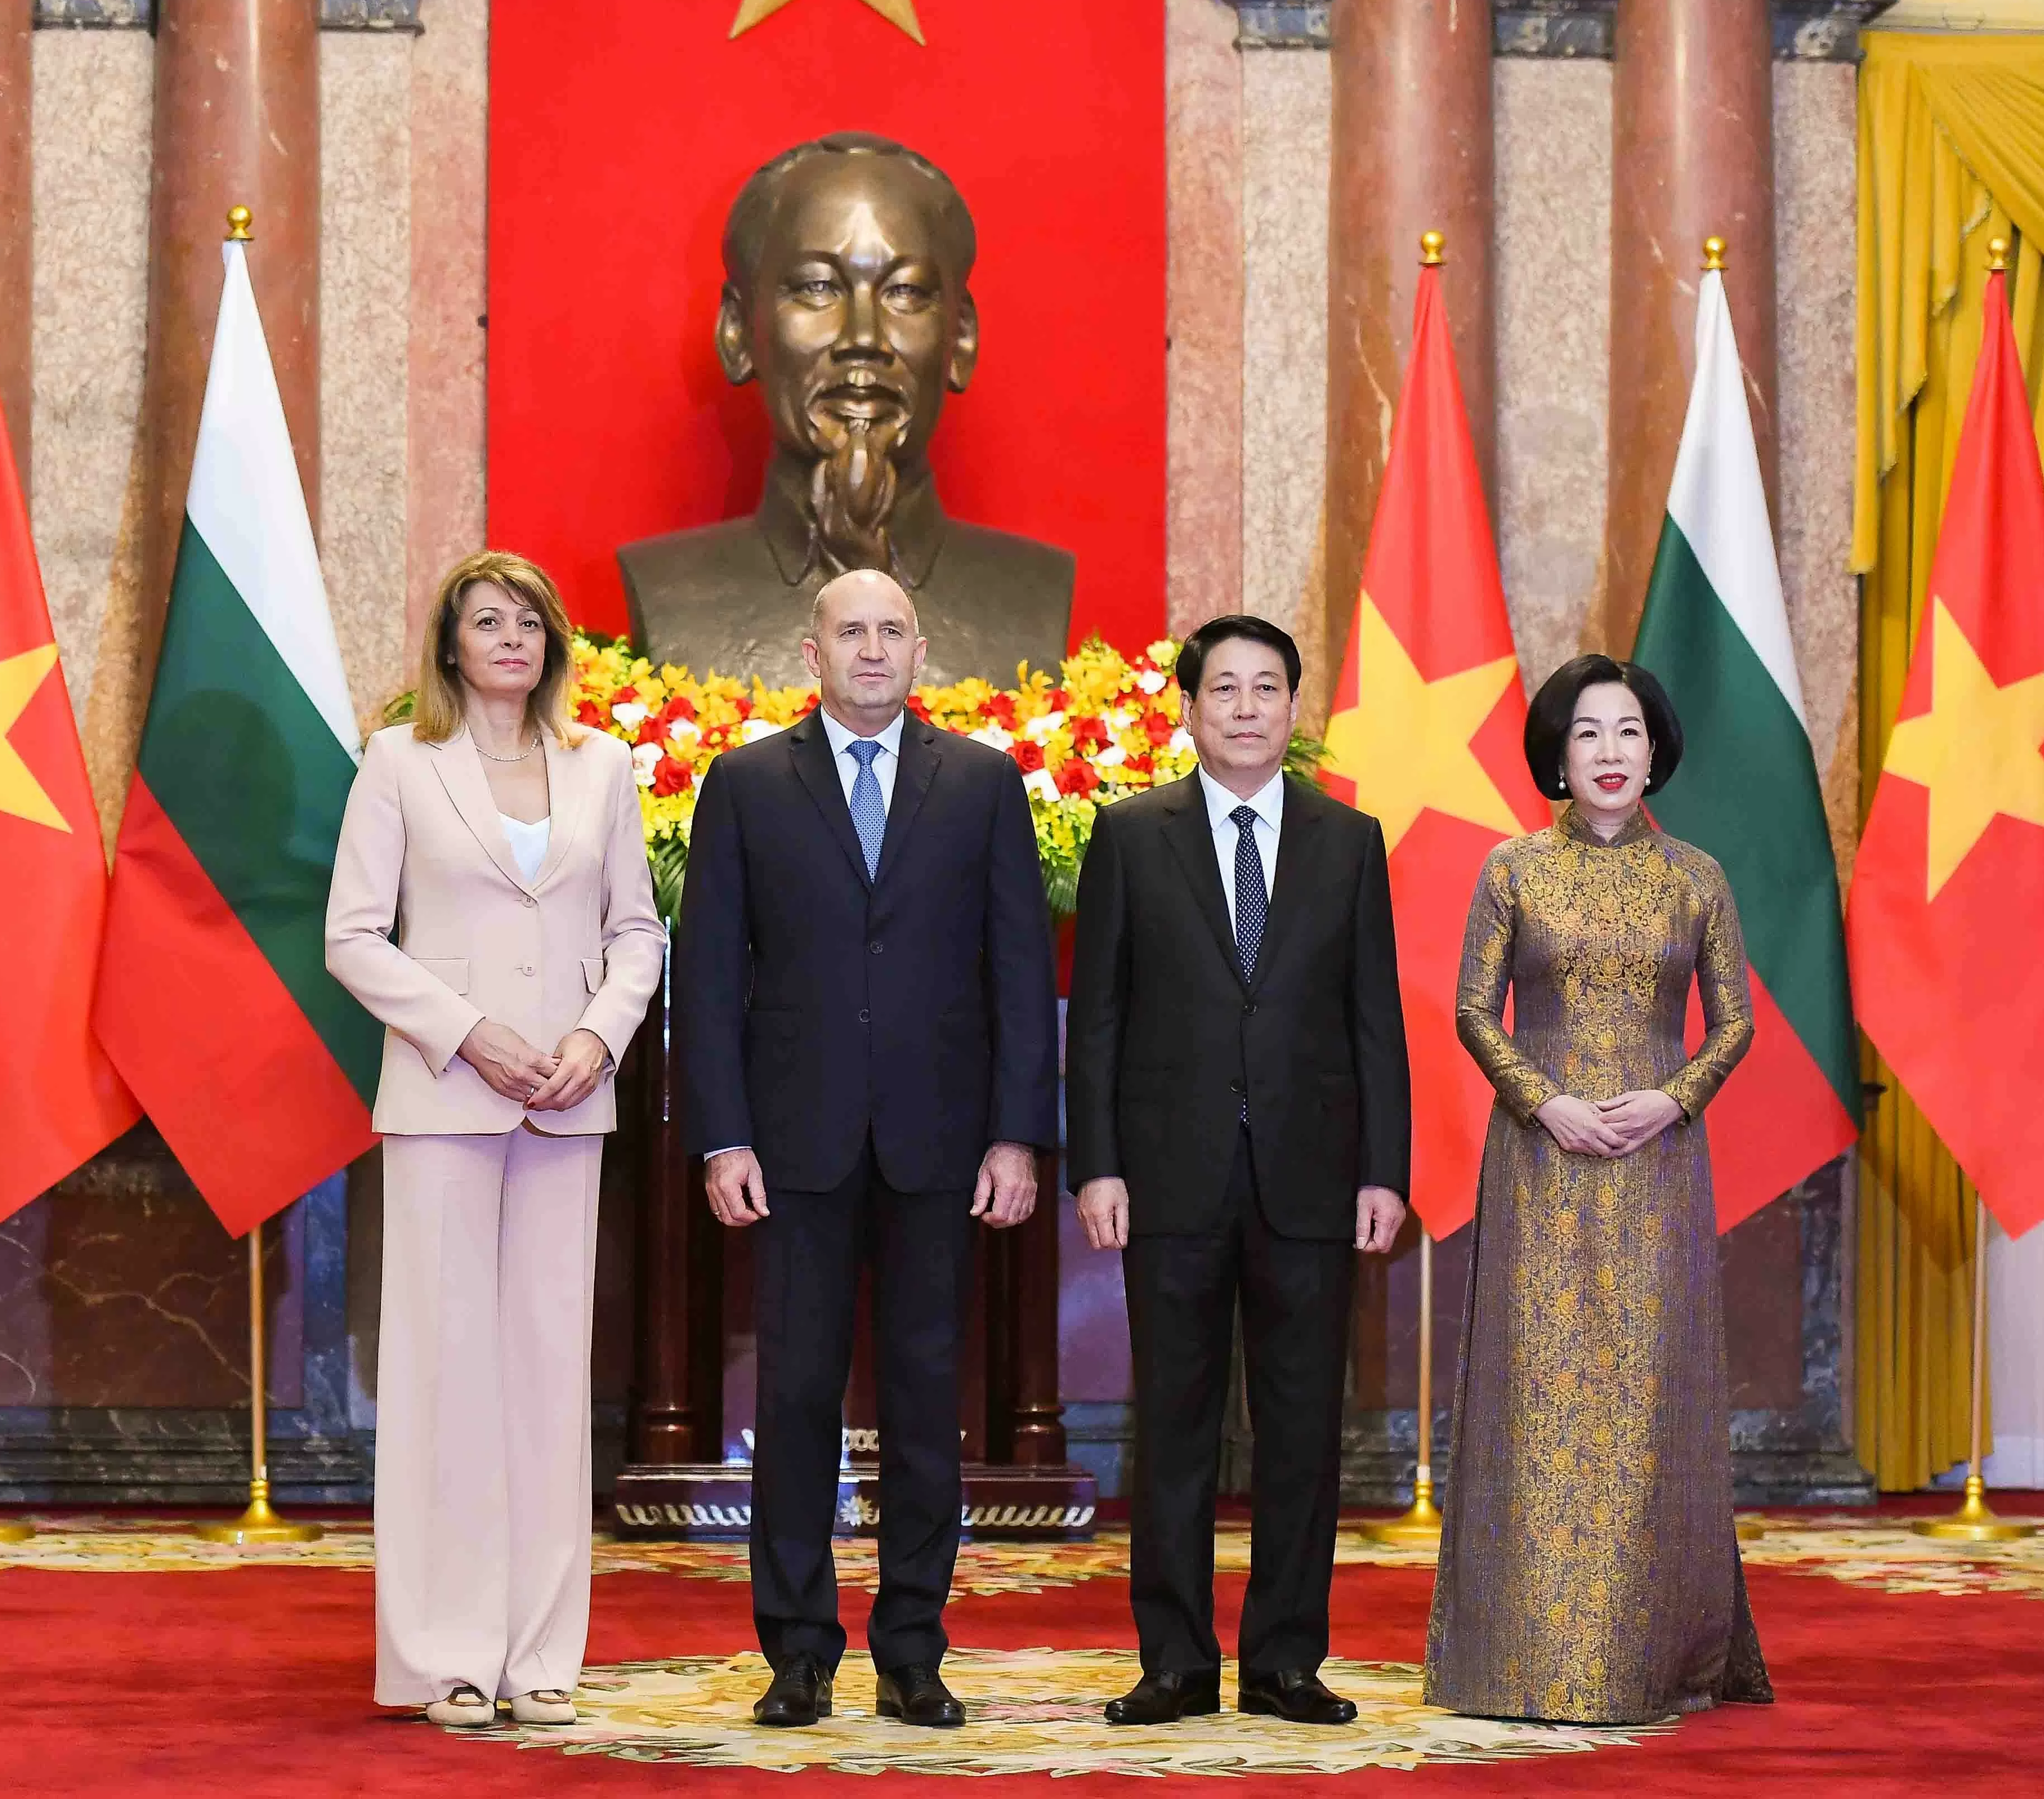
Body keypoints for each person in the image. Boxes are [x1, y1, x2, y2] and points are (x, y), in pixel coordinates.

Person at [676, 565, 1060, 1729]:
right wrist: (721, 1135)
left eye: (893, 630)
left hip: (941, 1142)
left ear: (921, 649)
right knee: (794, 1396)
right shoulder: (746, 781)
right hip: (792, 1144)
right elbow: (709, 975)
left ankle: (912, 1650)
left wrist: (1016, 1134)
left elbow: (1020, 972)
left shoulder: (982, 782)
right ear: (815, 651)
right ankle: (797, 1650)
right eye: (852, 630)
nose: (874, 648)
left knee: (926, 1401)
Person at [325, 550, 666, 1731]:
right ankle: (446, 1656)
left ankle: (541, 1654)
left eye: (528, 619)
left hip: (567, 1099)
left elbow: (637, 932)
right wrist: (468, 1031)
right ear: (451, 644)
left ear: (552, 641)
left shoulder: (601, 764)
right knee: (445, 1373)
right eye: (487, 619)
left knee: (548, 1375)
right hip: (444, 1097)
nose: (511, 636)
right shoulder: (398, 761)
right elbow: (353, 936)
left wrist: (596, 1034)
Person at [1065, 615, 1412, 1728]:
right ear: (1189, 707)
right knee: (1173, 1425)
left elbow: (1374, 1019)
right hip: (1170, 1175)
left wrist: (1383, 1169)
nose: (1247, 706)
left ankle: (1284, 1659)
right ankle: (1174, 1659)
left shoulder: (1348, 839)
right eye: (1225, 687)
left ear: (1294, 708)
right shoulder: (1130, 833)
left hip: (1312, 1175)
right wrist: (1097, 1164)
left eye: (1267, 687)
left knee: (1303, 1432)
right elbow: (1098, 1018)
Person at [1424, 653, 1774, 1723]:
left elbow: (1735, 1021)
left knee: (1649, 1393)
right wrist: (1546, 1100)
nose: (1609, 751)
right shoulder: (1513, 868)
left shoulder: (1695, 877)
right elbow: (1473, 1010)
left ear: (1655, 750)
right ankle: (1519, 1656)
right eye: (1586, 732)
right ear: (1557, 755)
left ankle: (1649, 1652)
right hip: (1541, 1162)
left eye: (1628, 730)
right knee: (1534, 1394)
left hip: (1657, 1165)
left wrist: (1674, 1097)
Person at [616, 131, 1073, 686]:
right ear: (737, 332)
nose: (863, 338)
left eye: (905, 291)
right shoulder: (669, 593)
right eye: (817, 287)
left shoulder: (1035, 594)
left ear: (960, 338)